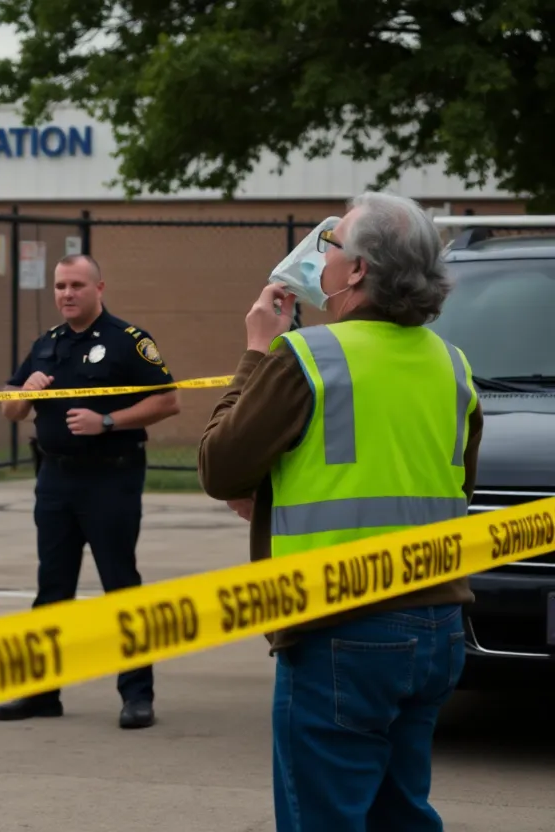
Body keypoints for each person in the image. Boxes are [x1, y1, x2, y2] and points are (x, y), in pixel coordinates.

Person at [196, 191, 482, 831]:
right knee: (401, 812)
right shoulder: (454, 367)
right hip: (436, 628)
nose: (320, 258)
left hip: (338, 630)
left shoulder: (306, 357)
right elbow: (447, 484)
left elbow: (220, 466)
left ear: (357, 271)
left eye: (332, 244)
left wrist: (255, 351)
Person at [0, 253, 181, 729]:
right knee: (52, 589)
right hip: (55, 479)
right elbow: (11, 411)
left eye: (76, 285)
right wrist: (25, 390)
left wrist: (108, 421)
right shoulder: (46, 344)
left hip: (110, 477)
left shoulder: (128, 342)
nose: (67, 294)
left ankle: (137, 696)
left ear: (99, 288)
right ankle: (41, 692)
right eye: (59, 286)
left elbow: (168, 401)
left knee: (121, 586)